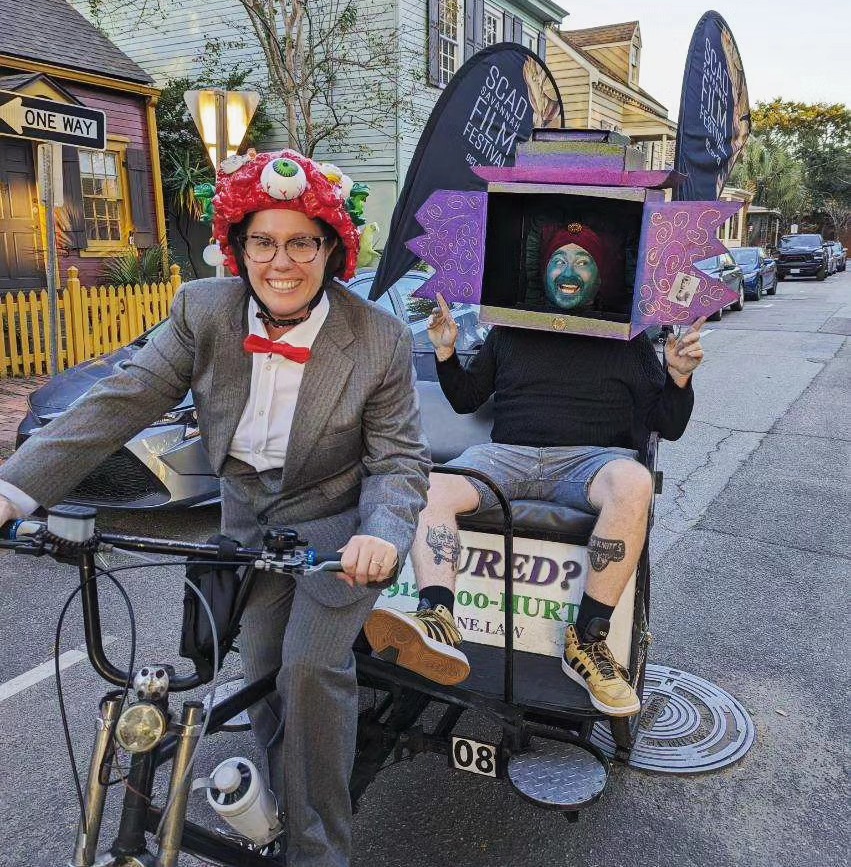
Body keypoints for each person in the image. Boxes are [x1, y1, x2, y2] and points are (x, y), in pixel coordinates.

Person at [0, 149, 430, 867]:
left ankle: (320, 848)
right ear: (238, 246)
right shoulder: (204, 310)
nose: (281, 261)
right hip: (243, 524)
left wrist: (382, 533)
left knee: (308, 672)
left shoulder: (376, 336)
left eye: (301, 241)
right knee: (259, 666)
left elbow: (397, 460)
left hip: (334, 527)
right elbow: (122, 396)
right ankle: (281, 792)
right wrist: (14, 488)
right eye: (263, 240)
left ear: (331, 247)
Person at [364, 222, 705, 716]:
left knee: (635, 481)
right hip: (508, 456)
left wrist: (678, 377)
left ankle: (587, 640)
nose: (570, 270)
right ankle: (438, 616)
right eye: (559, 259)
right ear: (542, 271)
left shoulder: (626, 341)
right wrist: (444, 351)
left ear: (601, 273)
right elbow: (466, 399)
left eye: (583, 260)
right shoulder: (509, 329)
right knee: (431, 486)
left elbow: (666, 427)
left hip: (590, 461)